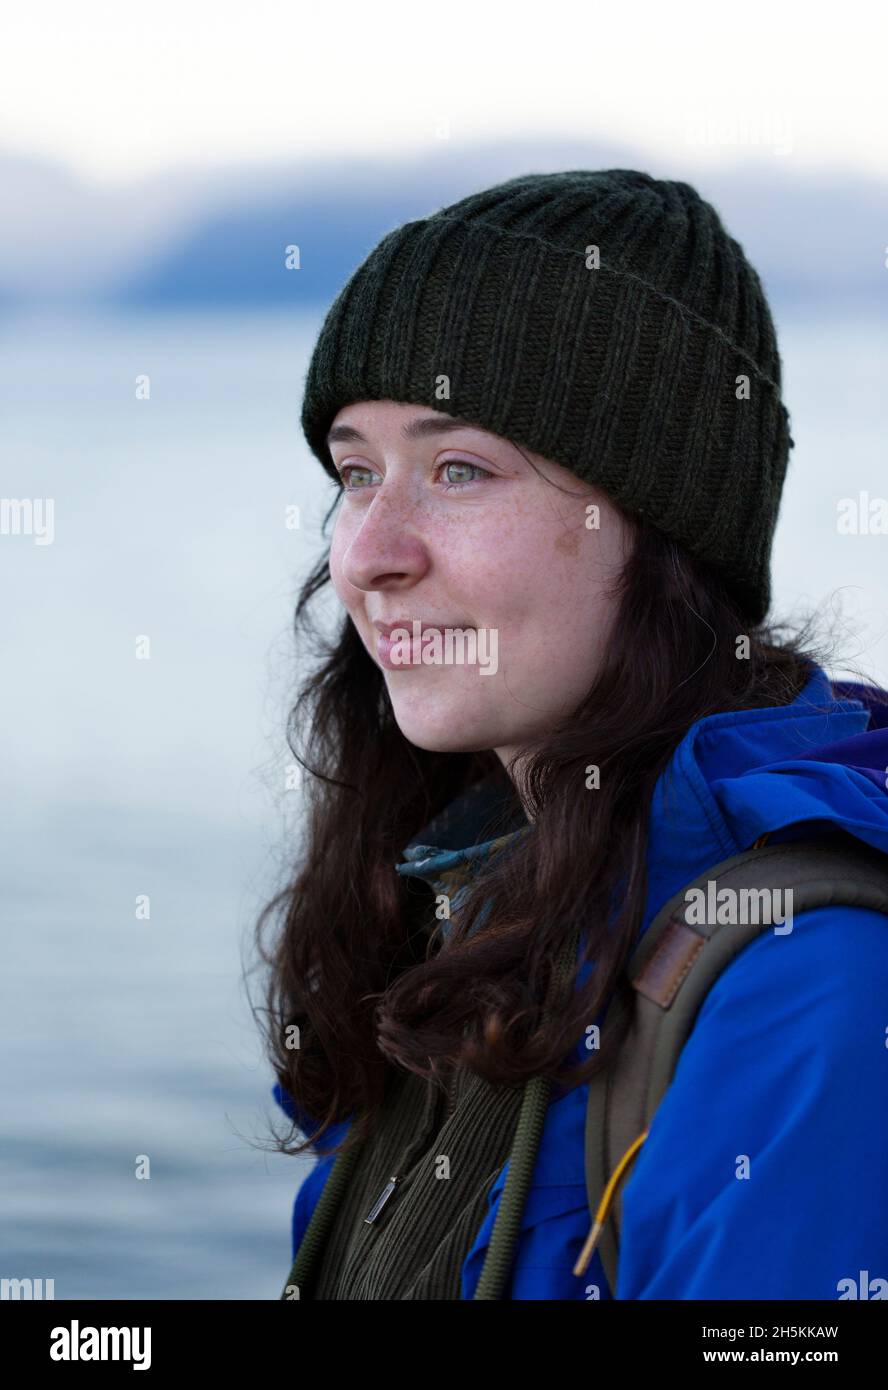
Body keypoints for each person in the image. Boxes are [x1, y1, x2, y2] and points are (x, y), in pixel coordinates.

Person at [256, 169, 888, 1299]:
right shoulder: (463, 898)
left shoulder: (806, 980)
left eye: (460, 469)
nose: (366, 554)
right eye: (358, 472)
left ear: (660, 531)